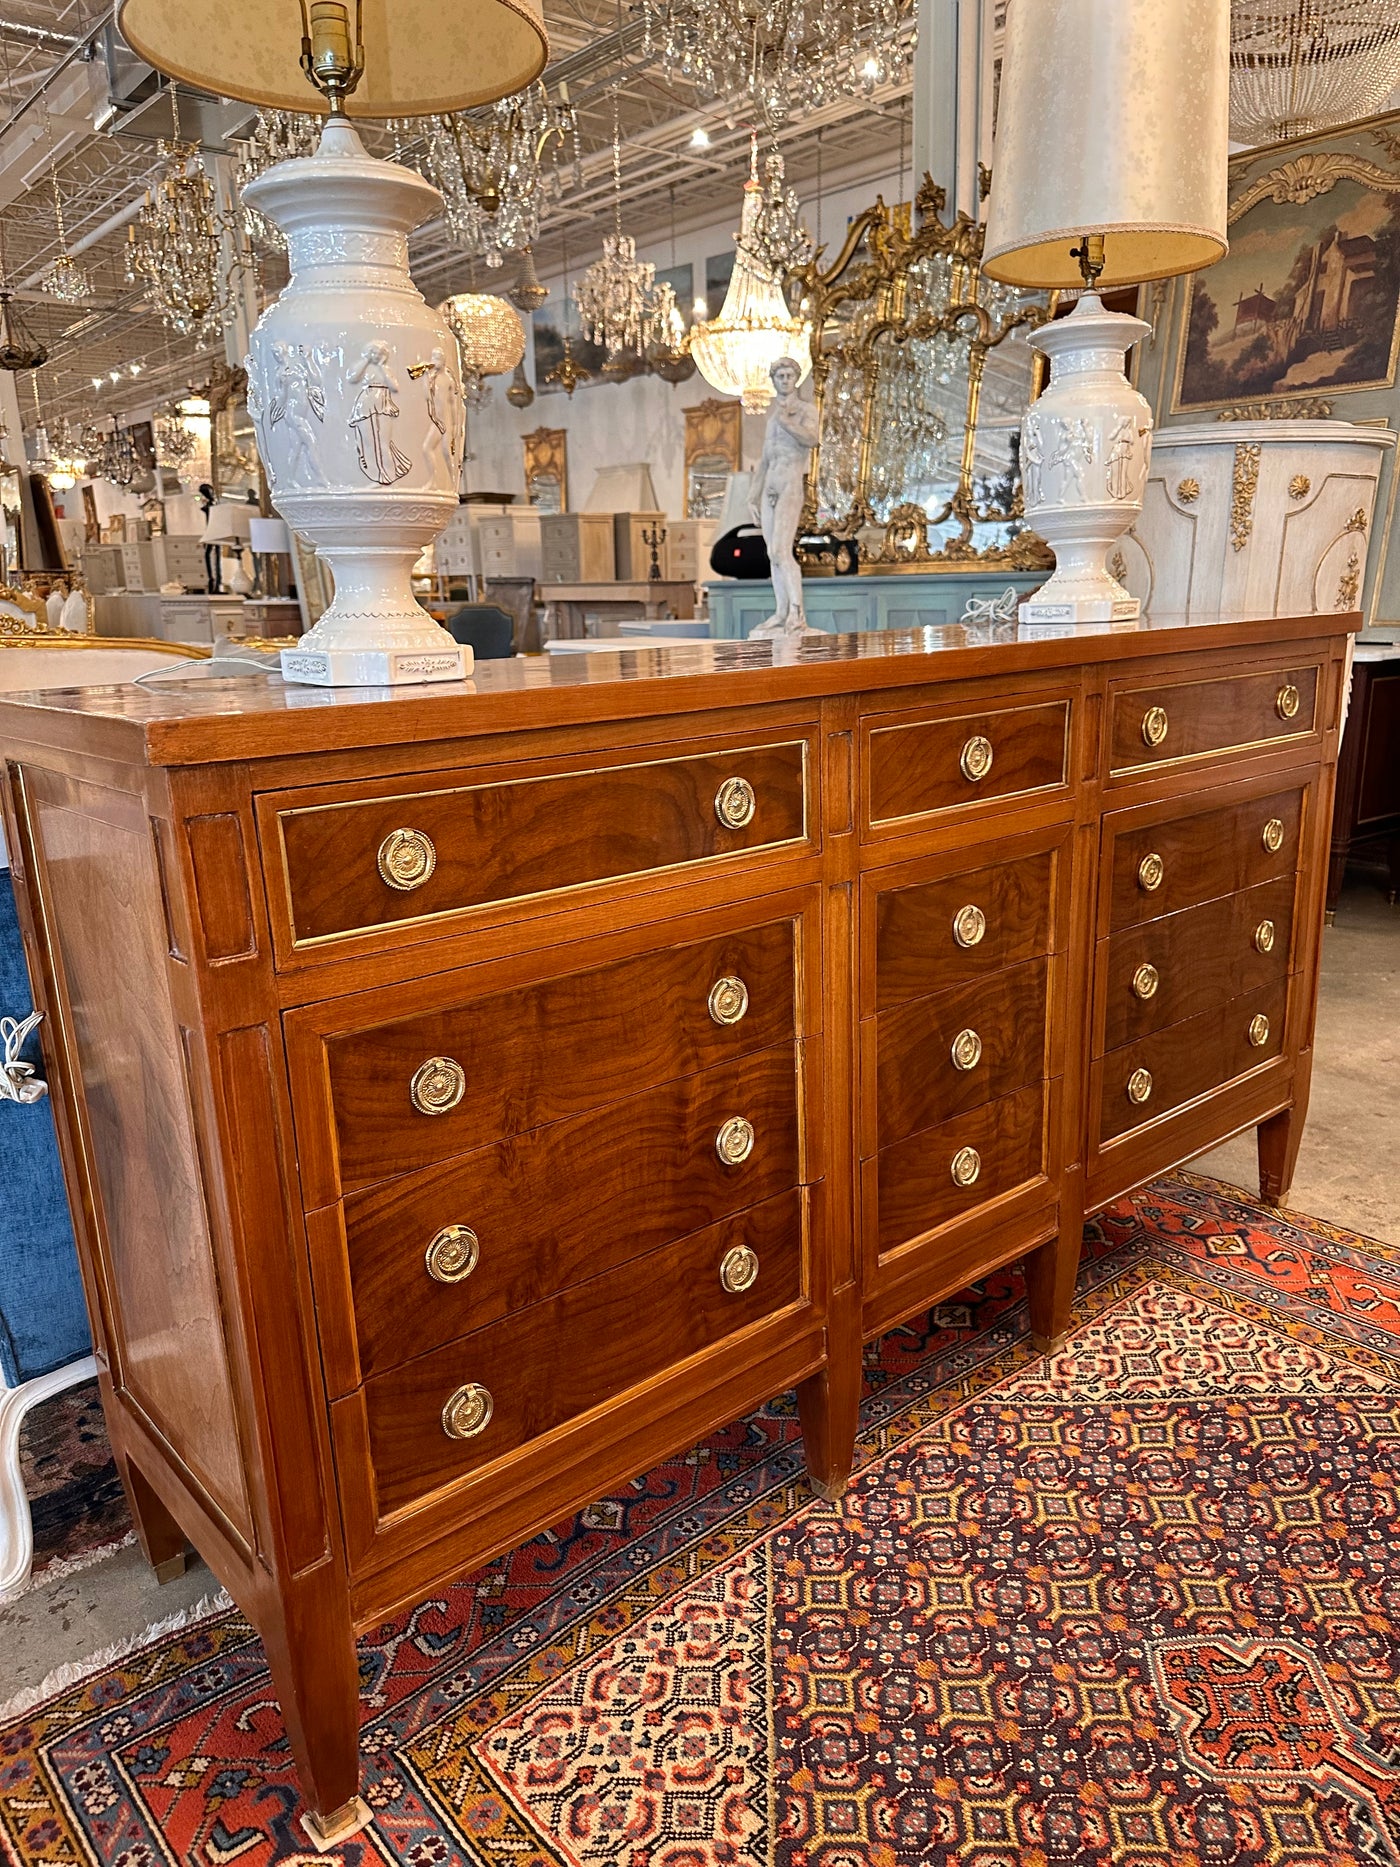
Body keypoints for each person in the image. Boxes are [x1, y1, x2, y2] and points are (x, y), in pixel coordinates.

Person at [749, 356, 819, 639]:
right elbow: (764, 460)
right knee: (771, 554)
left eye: (790, 376)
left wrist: (786, 422)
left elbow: (812, 439)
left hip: (790, 483)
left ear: (796, 379)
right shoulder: (772, 419)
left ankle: (796, 613)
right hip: (770, 486)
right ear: (774, 380)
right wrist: (751, 498)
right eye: (781, 376)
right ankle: (780, 612)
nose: (786, 380)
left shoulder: (804, 410)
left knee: (781, 551)